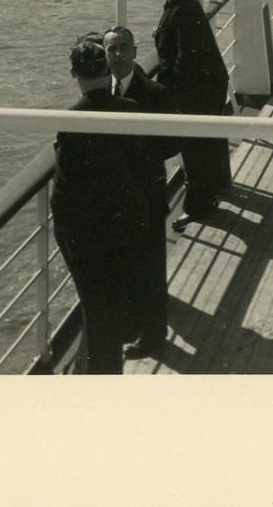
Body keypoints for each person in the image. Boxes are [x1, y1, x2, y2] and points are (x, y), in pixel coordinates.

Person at [49, 37, 150, 374]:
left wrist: (64, 234)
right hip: (125, 224)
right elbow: (137, 167)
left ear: (73, 74)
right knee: (111, 302)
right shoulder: (131, 109)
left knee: (97, 309)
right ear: (106, 69)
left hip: (88, 236)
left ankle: (100, 381)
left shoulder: (71, 120)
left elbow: (64, 191)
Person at [103, 25, 174, 359]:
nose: (117, 54)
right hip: (116, 198)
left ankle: (154, 335)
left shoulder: (155, 93)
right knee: (125, 264)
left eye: (123, 48)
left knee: (151, 268)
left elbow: (172, 142)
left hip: (146, 194)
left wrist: (138, 156)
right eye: (111, 49)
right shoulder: (103, 92)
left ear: (134, 52)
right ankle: (131, 325)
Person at [152, 0, 232, 232]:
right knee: (206, 144)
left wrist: (171, 92)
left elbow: (187, 56)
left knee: (194, 150)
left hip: (194, 92)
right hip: (206, 87)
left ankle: (196, 208)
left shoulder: (182, 8)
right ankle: (215, 189)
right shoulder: (182, 3)